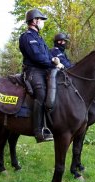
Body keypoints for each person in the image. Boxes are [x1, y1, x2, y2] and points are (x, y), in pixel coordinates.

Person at [19, 8, 63, 143]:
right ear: (34, 21)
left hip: (44, 70)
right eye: (41, 20)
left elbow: (47, 55)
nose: (42, 22)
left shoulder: (38, 37)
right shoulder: (26, 36)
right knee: (41, 94)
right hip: (33, 71)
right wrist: (52, 62)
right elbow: (37, 56)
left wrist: (56, 61)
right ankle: (38, 131)